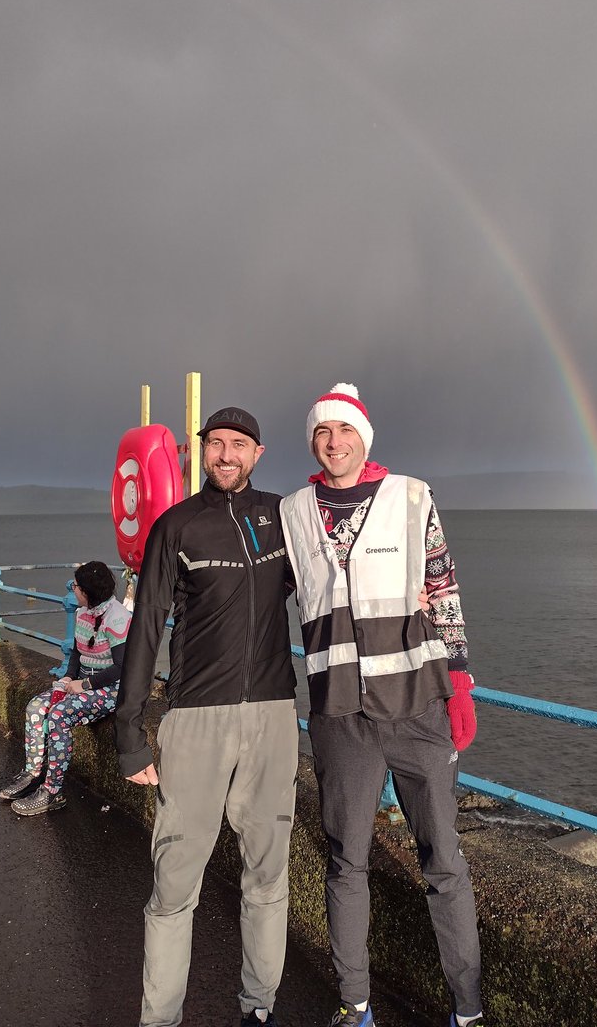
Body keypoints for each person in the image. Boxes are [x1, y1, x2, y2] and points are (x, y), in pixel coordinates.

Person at [280, 384, 484, 1027]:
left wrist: (461, 684)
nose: (333, 442)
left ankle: (468, 1009)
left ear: (363, 437)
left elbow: (443, 588)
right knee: (347, 862)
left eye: (344, 431)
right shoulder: (291, 512)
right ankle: (356, 1003)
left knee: (444, 862)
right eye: (322, 433)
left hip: (418, 705)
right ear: (313, 442)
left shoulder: (412, 496)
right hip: (339, 717)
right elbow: (254, 592)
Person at [115, 406, 298, 1027]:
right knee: (173, 885)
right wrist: (129, 732)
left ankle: (258, 1007)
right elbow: (145, 630)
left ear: (258, 452)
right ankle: (160, 1018)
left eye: (238, 444)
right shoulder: (176, 525)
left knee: (268, 876)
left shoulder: (284, 517)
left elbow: (337, 582)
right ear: (201, 453)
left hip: (274, 713)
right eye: (215, 443)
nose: (226, 453)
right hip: (195, 719)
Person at [0, 560, 131, 817]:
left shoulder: (117, 618)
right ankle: (32, 773)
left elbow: (122, 667)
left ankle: (53, 791)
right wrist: (68, 679)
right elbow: (76, 652)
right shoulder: (84, 612)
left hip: (110, 688)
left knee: (59, 714)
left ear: (87, 593)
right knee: (36, 707)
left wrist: (84, 685)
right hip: (80, 681)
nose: (73, 589)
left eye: (77, 586)